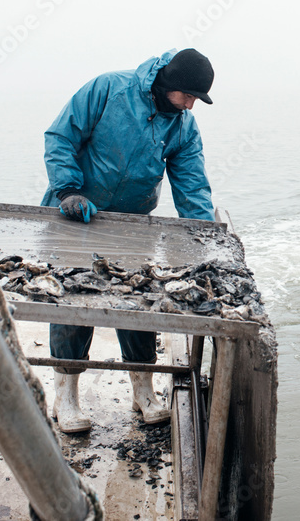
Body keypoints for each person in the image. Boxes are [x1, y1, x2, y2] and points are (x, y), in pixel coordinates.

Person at [40, 48, 215, 431]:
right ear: (168, 85)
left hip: (132, 223)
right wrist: (67, 190)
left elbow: (192, 183)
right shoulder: (107, 89)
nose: (190, 106)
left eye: (196, 100)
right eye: (187, 96)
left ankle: (143, 393)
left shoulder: (182, 125)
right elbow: (61, 137)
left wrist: (202, 233)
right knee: (73, 302)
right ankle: (66, 397)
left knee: (138, 302)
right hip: (77, 214)